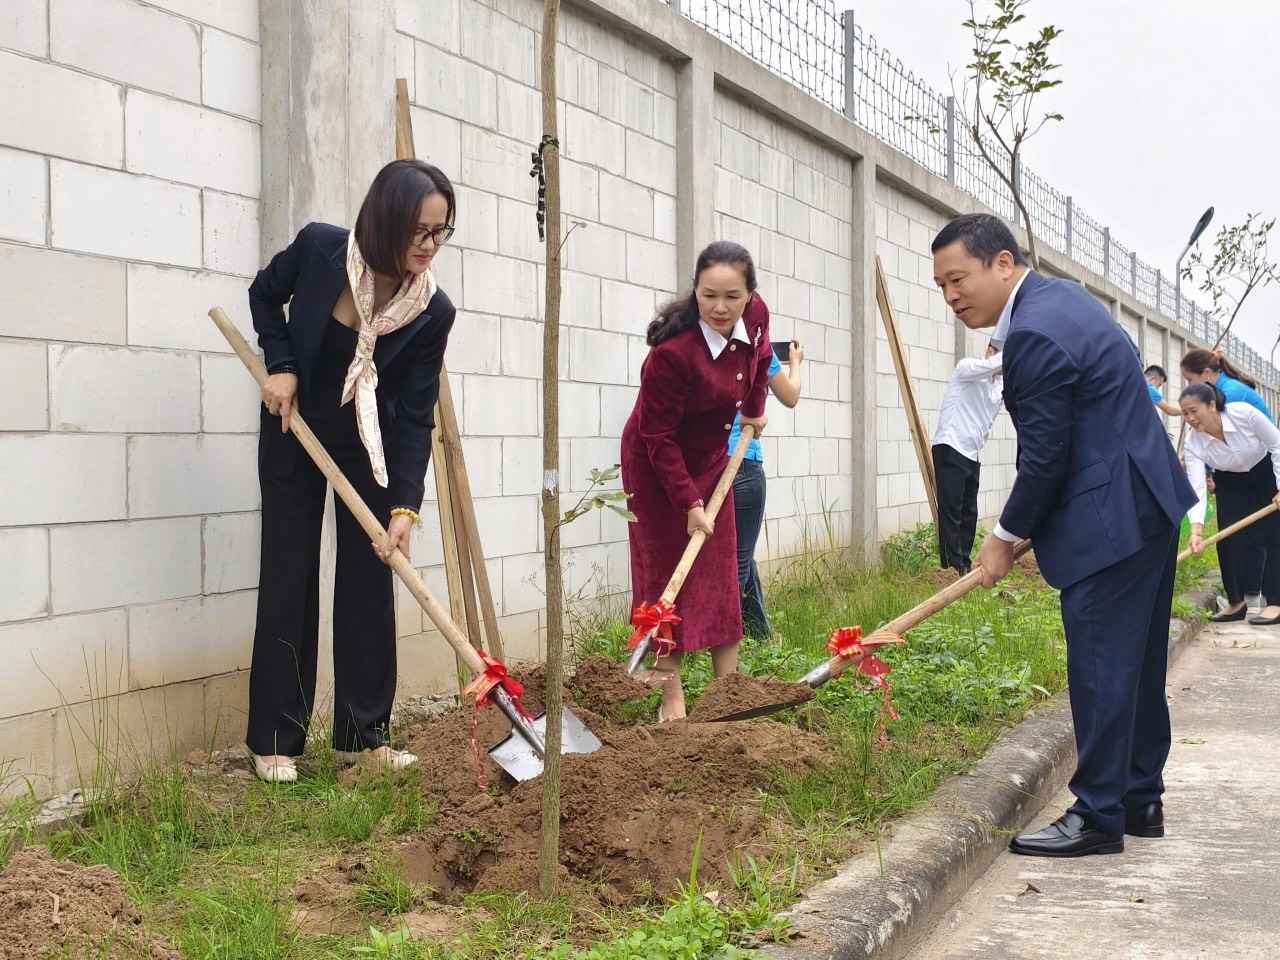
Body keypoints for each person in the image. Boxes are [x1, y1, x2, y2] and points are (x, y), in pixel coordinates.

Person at [931, 213, 1197, 858]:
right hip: (1146, 502)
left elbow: (1046, 456)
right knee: (1133, 666)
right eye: (940, 286)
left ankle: (1100, 813)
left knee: (1104, 664)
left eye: (958, 278)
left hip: (1111, 515)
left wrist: (1001, 536)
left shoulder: (1036, 334)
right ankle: (1139, 798)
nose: (951, 295)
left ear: (1002, 262)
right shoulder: (1060, 303)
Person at [246, 159, 458, 783]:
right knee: (290, 573)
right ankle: (276, 738)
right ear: (385, 220)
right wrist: (281, 364)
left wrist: (404, 507)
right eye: (420, 231)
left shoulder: (431, 311)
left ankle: (363, 738)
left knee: (370, 581)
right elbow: (263, 294)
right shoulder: (319, 250)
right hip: (297, 432)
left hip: (371, 451)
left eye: (441, 232)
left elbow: (417, 415)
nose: (429, 246)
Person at [620, 241, 773, 721]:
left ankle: (730, 692)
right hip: (656, 463)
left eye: (732, 296)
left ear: (750, 294)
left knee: (720, 569)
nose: (721, 307)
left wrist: (754, 413)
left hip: (712, 460)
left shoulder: (756, 318)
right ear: (696, 291)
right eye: (709, 296)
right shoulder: (672, 356)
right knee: (669, 574)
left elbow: (760, 365)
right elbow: (656, 436)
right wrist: (688, 502)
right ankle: (672, 700)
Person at [1180, 383, 1280, 626]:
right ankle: (1237, 603)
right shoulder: (1194, 444)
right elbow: (1197, 488)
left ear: (1212, 405)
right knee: (1229, 541)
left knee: (1274, 535)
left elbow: (1277, 445)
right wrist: (1196, 529)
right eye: (1185, 414)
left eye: (1194, 411)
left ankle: (1275, 602)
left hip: (1264, 471)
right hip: (1230, 482)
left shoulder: (1244, 414)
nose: (1190, 419)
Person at [730, 340, 803, 639]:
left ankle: (760, 635)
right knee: (737, 562)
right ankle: (724, 640)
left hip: (708, 465)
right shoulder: (759, 348)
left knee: (738, 557)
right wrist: (795, 361)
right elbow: (791, 395)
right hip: (743, 463)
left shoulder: (699, 347)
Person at [932, 342, 1003, 574]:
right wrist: (1015, 351)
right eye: (994, 350)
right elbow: (994, 365)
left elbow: (1004, 385)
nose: (994, 357)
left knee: (969, 512)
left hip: (972, 453)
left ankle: (963, 563)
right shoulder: (967, 368)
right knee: (951, 509)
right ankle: (951, 568)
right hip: (951, 446)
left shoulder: (995, 390)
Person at [1181, 348, 1273, 421]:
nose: (1190, 386)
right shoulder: (1219, 389)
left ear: (1207, 373)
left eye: (1190, 380)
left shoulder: (1231, 392)